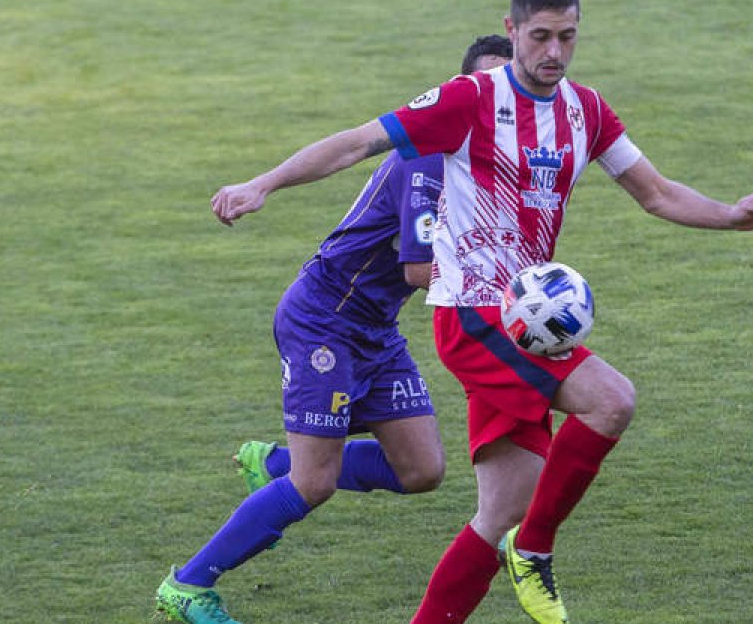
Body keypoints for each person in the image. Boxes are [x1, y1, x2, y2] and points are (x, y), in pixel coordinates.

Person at [209, 0, 753, 624]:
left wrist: (730, 213)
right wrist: (265, 183)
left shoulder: (587, 111)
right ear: (513, 30)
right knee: (612, 399)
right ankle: (536, 549)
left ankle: (494, 561)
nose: (554, 53)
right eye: (540, 36)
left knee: (499, 510)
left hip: (523, 324)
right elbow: (356, 143)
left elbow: (655, 192)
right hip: (473, 315)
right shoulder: (469, 99)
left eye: (567, 37)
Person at [154, 35, 513, 624]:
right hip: (324, 321)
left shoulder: (489, 164)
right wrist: (513, 296)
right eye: (487, 87)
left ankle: (273, 467)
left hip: (374, 328)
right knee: (315, 482)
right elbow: (421, 270)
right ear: (462, 93)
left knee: (421, 470)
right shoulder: (429, 162)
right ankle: (188, 586)